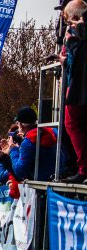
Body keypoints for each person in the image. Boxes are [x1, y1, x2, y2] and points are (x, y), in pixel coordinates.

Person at [0, 107, 57, 182]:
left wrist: (13, 149)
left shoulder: (28, 142)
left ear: (21, 125)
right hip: (55, 176)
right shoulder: (52, 132)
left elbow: (19, 171)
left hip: (42, 182)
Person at [61, 0, 87, 183]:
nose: (67, 25)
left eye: (68, 20)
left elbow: (74, 63)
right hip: (78, 87)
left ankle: (84, 169)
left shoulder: (76, 32)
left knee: (72, 124)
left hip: (78, 88)